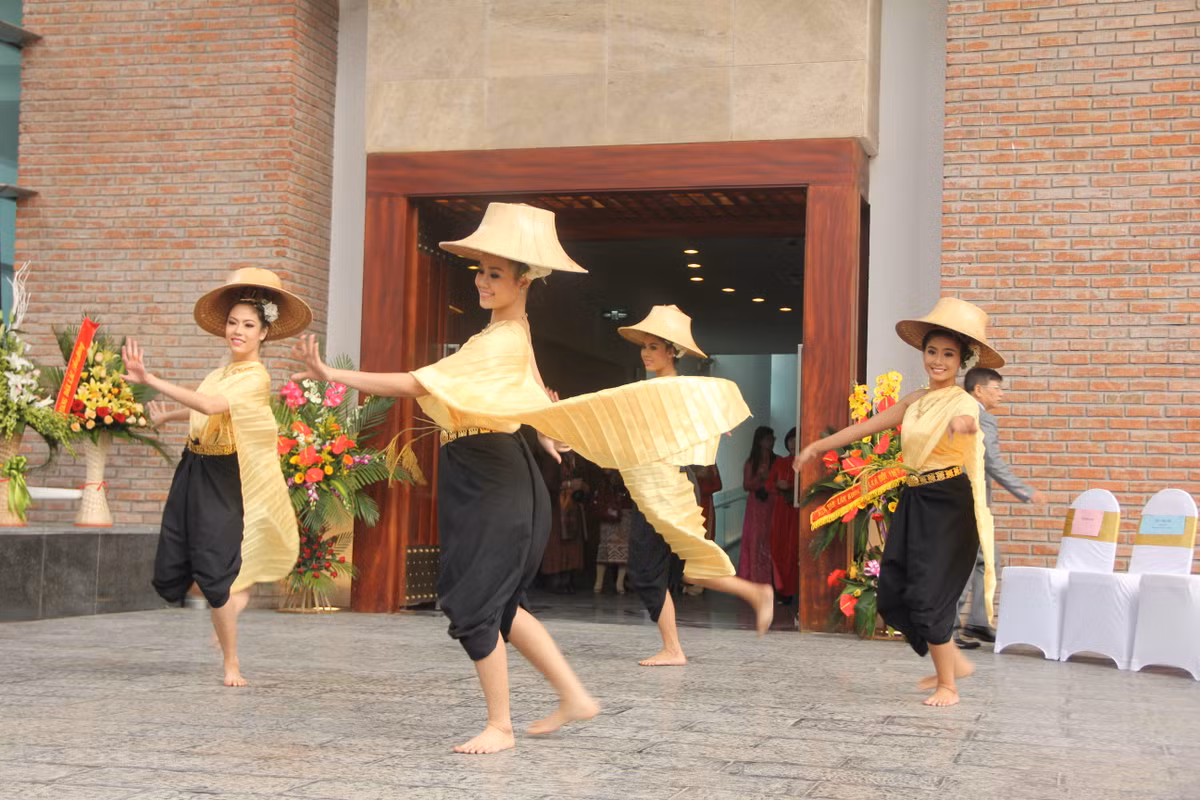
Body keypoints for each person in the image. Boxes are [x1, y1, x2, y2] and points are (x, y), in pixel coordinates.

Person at [292, 203, 599, 754]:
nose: (481, 282)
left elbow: (416, 383)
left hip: (492, 470)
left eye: (495, 274)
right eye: (480, 271)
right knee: (502, 605)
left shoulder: (500, 339)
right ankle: (573, 696)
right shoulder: (511, 330)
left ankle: (501, 727)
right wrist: (547, 434)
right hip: (491, 466)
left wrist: (332, 373)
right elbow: (533, 384)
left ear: (524, 280)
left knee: (475, 602)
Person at [796, 296, 1000, 707]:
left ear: (962, 361)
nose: (938, 360)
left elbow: (967, 424)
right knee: (894, 589)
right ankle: (954, 661)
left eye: (948, 354)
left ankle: (948, 685)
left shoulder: (964, 402)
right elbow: (865, 428)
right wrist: (817, 446)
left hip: (949, 504)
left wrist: (961, 427)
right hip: (915, 498)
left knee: (929, 594)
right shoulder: (915, 400)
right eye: (932, 351)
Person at [121, 267, 311, 687]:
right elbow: (207, 407)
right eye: (232, 322)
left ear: (264, 333)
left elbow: (210, 406)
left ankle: (231, 663)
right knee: (180, 563)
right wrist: (170, 416)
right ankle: (231, 600)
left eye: (248, 325)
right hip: (193, 467)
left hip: (224, 477)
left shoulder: (255, 376)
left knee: (214, 570)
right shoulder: (222, 371)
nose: (237, 331)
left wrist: (150, 379)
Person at [617, 305, 774, 667]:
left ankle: (676, 646)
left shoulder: (681, 389)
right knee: (683, 568)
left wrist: (714, 423)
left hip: (667, 483)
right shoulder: (651, 390)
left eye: (654, 347)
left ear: (672, 351)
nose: (645, 353)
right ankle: (750, 597)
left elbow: (711, 414)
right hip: (653, 483)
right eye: (644, 346)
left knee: (651, 568)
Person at [954, 366, 1047, 649]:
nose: (1002, 394)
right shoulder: (982, 418)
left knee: (987, 558)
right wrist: (1026, 491)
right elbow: (992, 461)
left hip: (962, 498)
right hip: (969, 501)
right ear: (978, 390)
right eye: (997, 388)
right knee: (966, 564)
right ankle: (948, 629)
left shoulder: (959, 412)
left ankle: (978, 622)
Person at [737, 426, 776, 584]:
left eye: (772, 439)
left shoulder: (776, 460)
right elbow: (746, 485)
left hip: (771, 503)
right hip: (756, 505)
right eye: (768, 439)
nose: (772, 442)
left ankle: (769, 576)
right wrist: (760, 477)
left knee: (770, 538)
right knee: (754, 539)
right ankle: (752, 576)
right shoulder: (752, 463)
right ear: (760, 441)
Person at [769, 427, 800, 604]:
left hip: (797, 511)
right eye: (790, 440)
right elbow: (768, 485)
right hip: (781, 511)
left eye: (796, 440)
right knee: (778, 548)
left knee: (793, 550)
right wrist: (778, 487)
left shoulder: (807, 462)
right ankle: (781, 589)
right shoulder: (780, 462)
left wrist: (792, 488)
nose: (793, 444)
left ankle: (793, 590)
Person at [592, 469, 631, 594]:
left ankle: (615, 584)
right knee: (607, 548)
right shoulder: (604, 478)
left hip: (621, 513)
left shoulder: (622, 473)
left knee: (621, 548)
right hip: (611, 513)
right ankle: (603, 583)